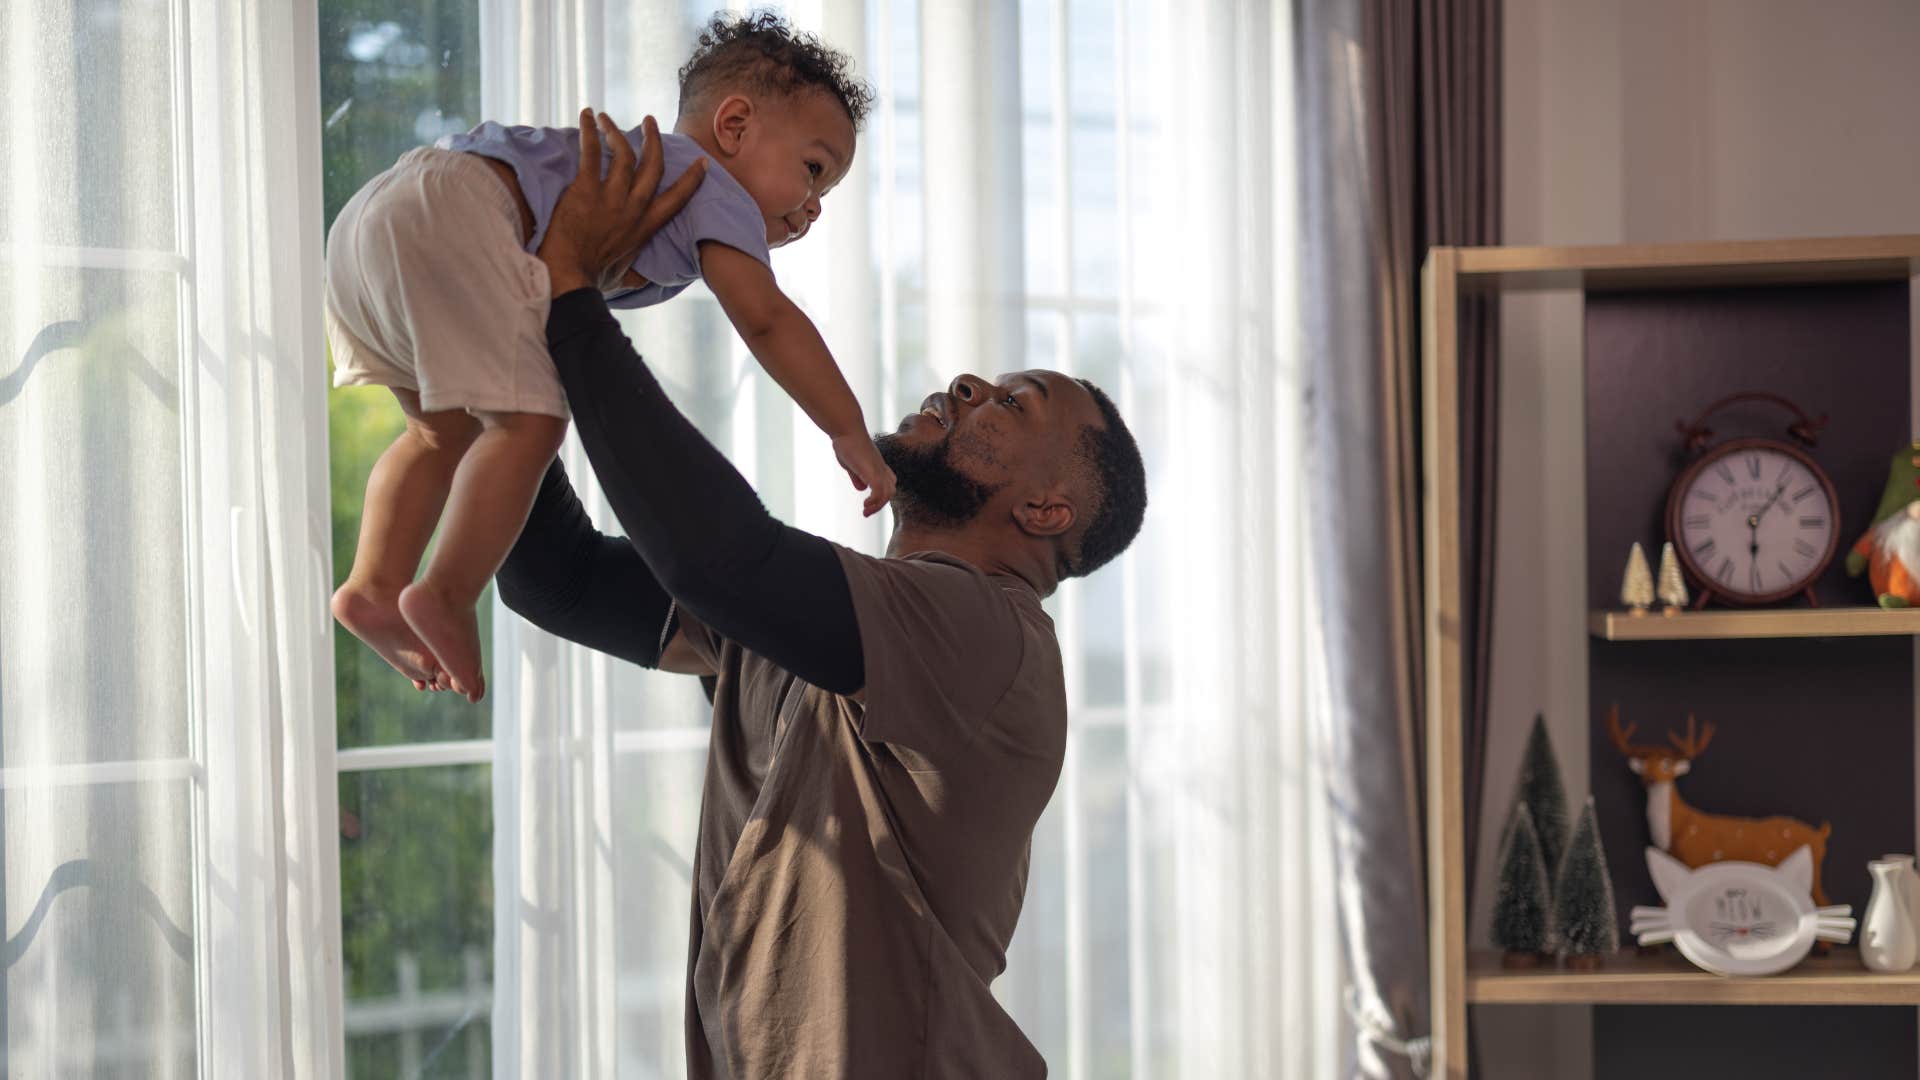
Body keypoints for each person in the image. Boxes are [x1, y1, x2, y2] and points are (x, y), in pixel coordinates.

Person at [500, 112, 1149, 1077]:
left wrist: (566, 298)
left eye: (1013, 403)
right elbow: (555, 577)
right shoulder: (838, 628)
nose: (968, 382)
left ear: (1048, 510)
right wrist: (488, 349)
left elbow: (717, 559)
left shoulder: (990, 637)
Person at [325, 12, 892, 703]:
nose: (813, 210)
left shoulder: (670, 178)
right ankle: (444, 593)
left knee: (438, 433)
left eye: (826, 194)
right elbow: (769, 320)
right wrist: (846, 426)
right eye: (813, 171)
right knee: (531, 425)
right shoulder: (714, 186)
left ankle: (372, 588)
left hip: (373, 220)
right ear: (735, 125)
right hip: (462, 209)